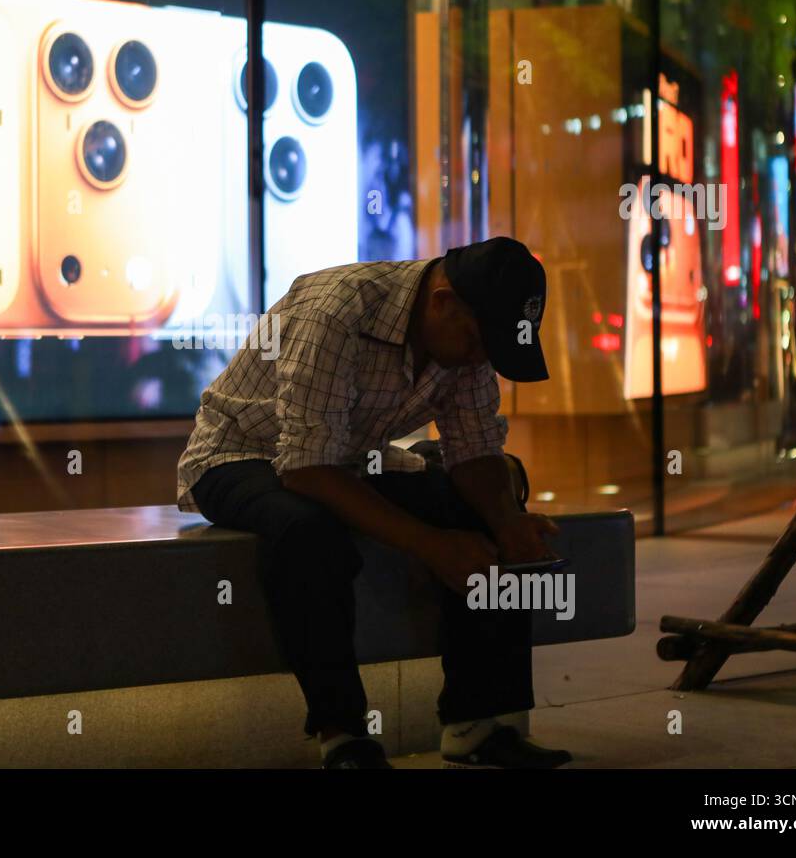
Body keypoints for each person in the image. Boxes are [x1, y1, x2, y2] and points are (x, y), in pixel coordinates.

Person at [176, 237, 573, 769]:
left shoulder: (464, 337)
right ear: (444, 302)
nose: (481, 359)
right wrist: (434, 546)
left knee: (487, 507)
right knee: (306, 532)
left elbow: (475, 450)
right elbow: (304, 469)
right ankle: (343, 736)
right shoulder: (338, 311)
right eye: (478, 341)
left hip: (345, 457)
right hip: (241, 452)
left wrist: (508, 522)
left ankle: (478, 725)